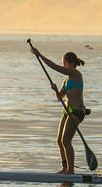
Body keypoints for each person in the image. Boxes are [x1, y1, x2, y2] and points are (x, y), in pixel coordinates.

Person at [30, 44, 87, 173]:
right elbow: (60, 97)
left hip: (77, 112)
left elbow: (55, 67)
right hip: (67, 112)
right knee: (59, 141)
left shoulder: (76, 74)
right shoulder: (66, 81)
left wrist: (40, 55)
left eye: (65, 63)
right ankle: (65, 168)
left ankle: (71, 171)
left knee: (66, 141)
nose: (63, 66)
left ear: (71, 63)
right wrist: (56, 90)